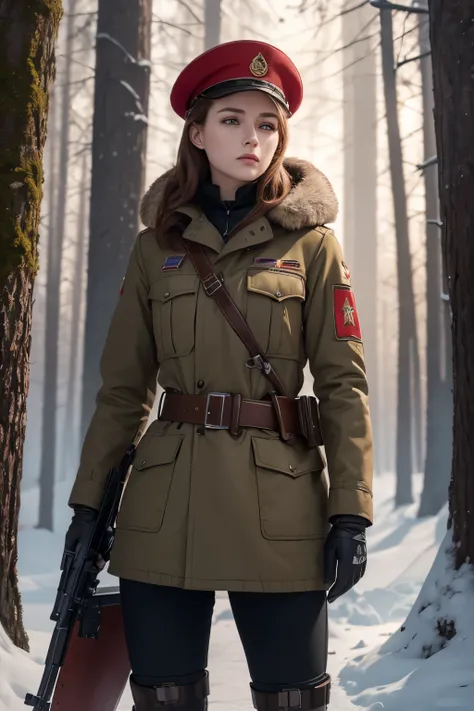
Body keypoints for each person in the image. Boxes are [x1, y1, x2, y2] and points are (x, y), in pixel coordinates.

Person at [65, 39, 373, 711]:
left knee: (293, 697)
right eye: (232, 119)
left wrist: (351, 511)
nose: (252, 137)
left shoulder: (312, 245)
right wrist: (89, 504)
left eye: (267, 124)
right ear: (198, 132)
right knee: (166, 696)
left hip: (281, 509)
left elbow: (344, 385)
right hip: (165, 505)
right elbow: (123, 389)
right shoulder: (157, 248)